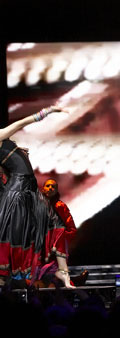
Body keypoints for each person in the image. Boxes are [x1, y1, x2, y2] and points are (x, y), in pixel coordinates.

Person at [0, 106, 75, 289]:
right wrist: (47, 112)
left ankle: (63, 272)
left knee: (56, 224)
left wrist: (17, 154)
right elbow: (22, 123)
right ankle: (5, 278)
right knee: (18, 234)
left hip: (28, 189)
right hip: (19, 192)